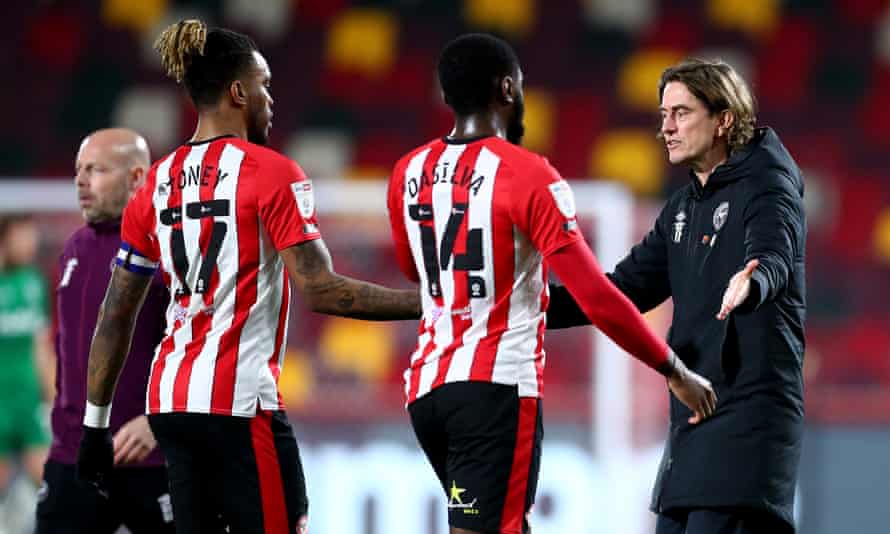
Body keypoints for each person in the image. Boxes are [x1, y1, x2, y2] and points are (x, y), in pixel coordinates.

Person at [76, 19, 421, 534]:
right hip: (237, 405)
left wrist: (94, 428)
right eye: (265, 86)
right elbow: (323, 290)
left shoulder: (156, 185)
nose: (271, 100)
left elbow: (115, 314)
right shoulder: (272, 172)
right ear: (238, 91)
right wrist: (430, 302)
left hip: (171, 402)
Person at [386, 34, 716, 534]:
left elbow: (417, 270)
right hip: (493, 392)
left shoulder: (407, 172)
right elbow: (595, 295)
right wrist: (671, 369)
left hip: (428, 395)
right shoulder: (527, 175)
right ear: (508, 88)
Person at [548, 58, 806, 533]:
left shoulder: (769, 184)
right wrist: (531, 306)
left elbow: (774, 252)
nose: (665, 128)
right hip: (693, 419)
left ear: (724, 119)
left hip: (748, 421)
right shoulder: (684, 207)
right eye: (663, 114)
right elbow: (618, 292)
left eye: (681, 113)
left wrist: (754, 282)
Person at [35, 129, 175, 533]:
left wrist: (160, 422)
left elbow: (200, 350)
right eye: (79, 169)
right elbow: (66, 350)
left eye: (95, 169)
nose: (80, 180)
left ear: (136, 179)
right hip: (73, 459)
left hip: (150, 458)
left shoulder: (171, 248)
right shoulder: (73, 249)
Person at [0, 215, 52, 531]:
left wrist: (53, 398)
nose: (30, 243)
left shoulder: (33, 282)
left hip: (27, 398)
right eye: (23, 236)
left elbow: (40, 346)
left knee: (47, 480)